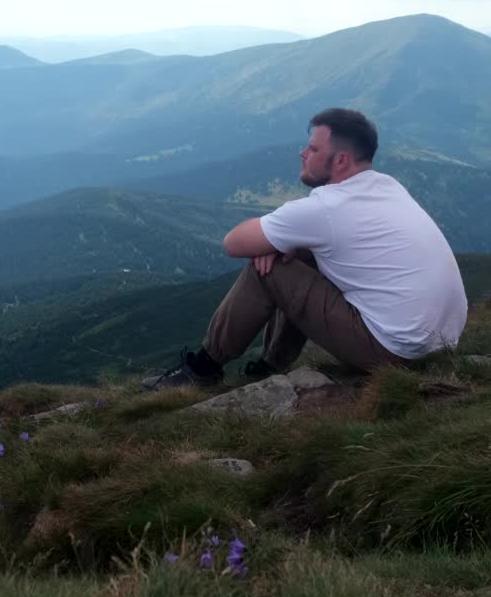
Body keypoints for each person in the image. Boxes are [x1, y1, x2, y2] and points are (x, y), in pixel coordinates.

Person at [145, 107, 467, 389]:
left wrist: (276, 242)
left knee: (267, 270)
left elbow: (233, 243)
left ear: (340, 160)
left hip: (393, 351)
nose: (302, 153)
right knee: (302, 256)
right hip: (440, 344)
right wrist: (295, 246)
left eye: (313, 148)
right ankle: (268, 368)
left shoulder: (327, 207)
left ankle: (203, 371)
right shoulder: (388, 187)